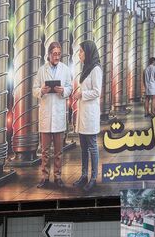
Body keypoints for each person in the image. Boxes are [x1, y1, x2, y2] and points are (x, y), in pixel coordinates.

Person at [34, 41, 73, 188]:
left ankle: (58, 176)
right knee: (44, 151)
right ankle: (44, 177)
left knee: (58, 151)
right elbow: (34, 89)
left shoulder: (65, 69)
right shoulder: (41, 70)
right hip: (46, 115)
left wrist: (63, 90)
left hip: (58, 114)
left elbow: (70, 87)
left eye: (59, 54)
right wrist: (41, 91)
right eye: (54, 54)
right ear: (49, 54)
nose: (57, 57)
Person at [72, 41, 103, 192]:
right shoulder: (86, 68)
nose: (79, 54)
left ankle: (93, 178)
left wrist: (81, 94)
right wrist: (79, 93)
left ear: (88, 52)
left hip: (90, 114)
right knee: (83, 148)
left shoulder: (96, 69)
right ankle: (84, 175)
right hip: (83, 113)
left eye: (81, 51)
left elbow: (97, 92)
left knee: (92, 147)